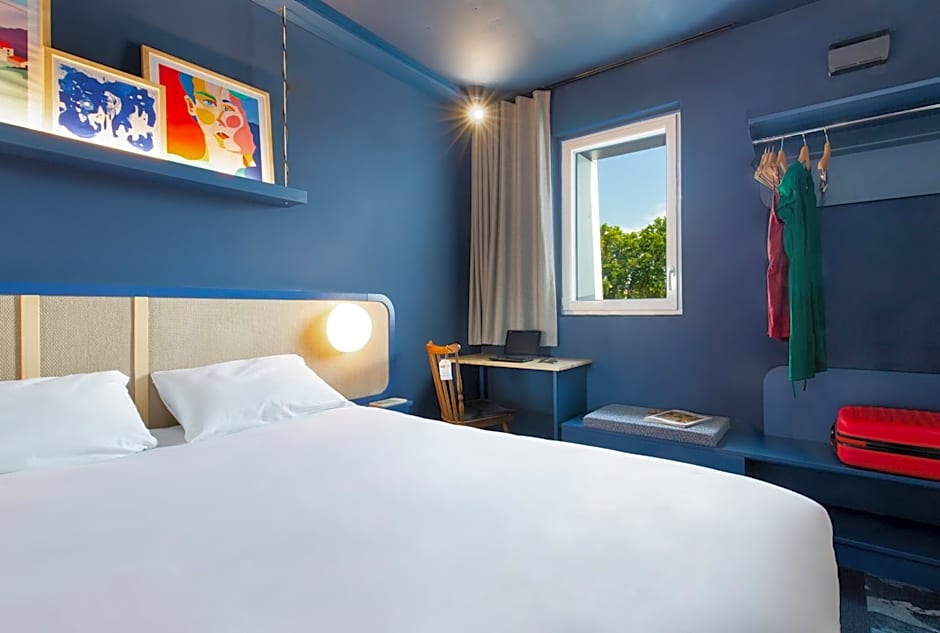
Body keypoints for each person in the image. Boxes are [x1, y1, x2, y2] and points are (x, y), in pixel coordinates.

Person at [180, 75, 258, 178]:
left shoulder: (253, 171)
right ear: (191, 105)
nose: (220, 119)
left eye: (228, 108)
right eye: (209, 103)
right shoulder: (184, 169)